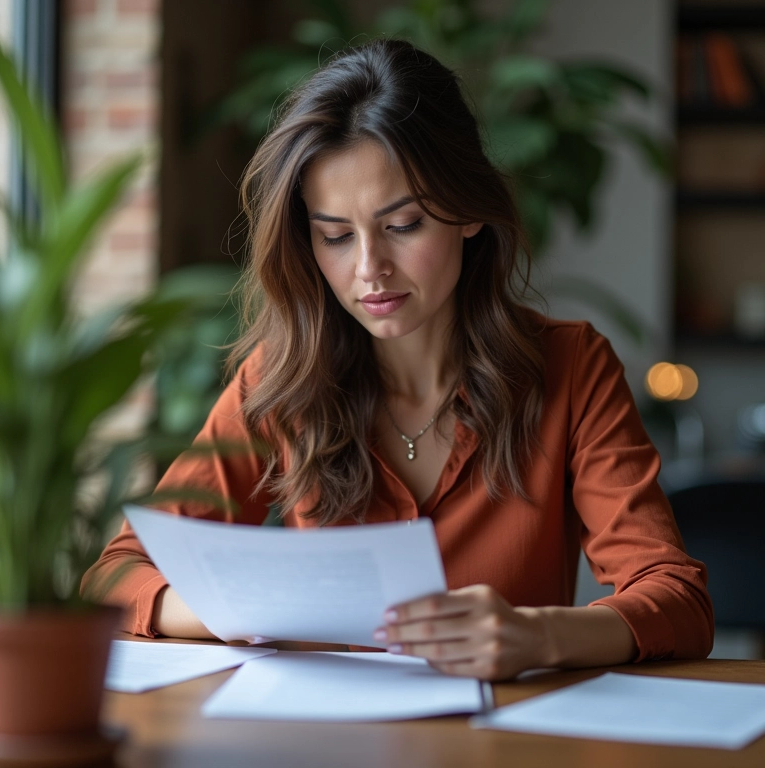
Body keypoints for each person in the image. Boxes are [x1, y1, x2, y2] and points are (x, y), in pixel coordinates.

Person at [83, 38, 713, 681]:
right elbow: (117, 572)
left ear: (467, 210)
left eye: (403, 225)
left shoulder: (572, 367)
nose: (368, 270)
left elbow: (678, 598)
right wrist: (230, 610)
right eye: (334, 236)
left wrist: (536, 635)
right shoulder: (280, 379)